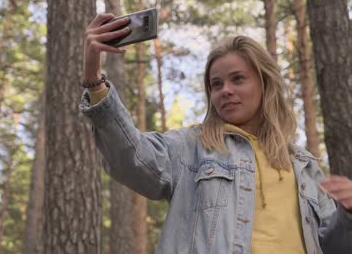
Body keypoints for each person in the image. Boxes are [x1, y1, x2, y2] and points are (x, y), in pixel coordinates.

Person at [79, 13, 352, 254]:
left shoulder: (303, 166)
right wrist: (94, 81)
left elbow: (335, 247)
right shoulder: (190, 147)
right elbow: (132, 157)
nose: (225, 91)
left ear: (264, 83)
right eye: (216, 84)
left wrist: (349, 215)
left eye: (238, 79)